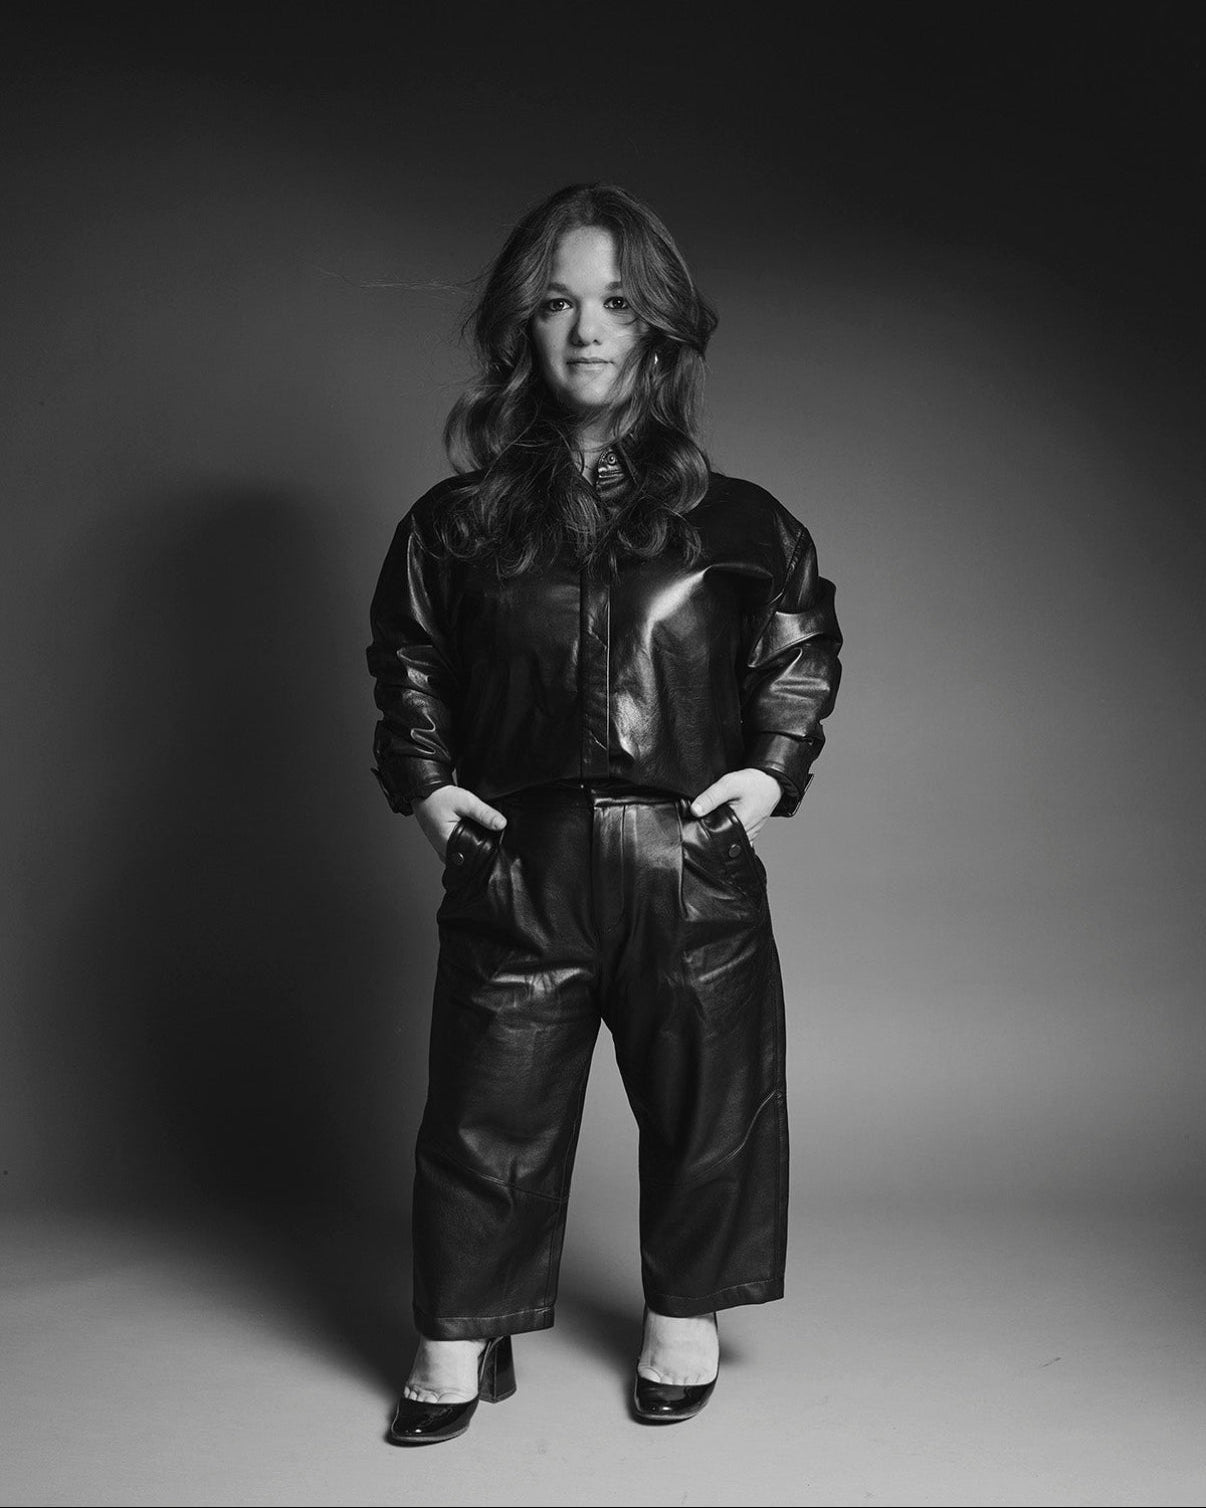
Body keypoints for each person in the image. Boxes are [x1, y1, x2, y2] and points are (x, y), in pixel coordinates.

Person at [366, 182, 842, 1443]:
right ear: (520, 327)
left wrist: (771, 770)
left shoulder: (740, 520)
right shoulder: (455, 525)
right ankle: (459, 1324)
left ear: (659, 326)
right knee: (488, 1109)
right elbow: (408, 661)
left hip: (686, 856)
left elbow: (799, 642)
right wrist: (427, 787)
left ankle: (685, 1310)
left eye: (619, 302)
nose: (588, 329)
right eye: (558, 302)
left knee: (710, 1099)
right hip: (520, 857)